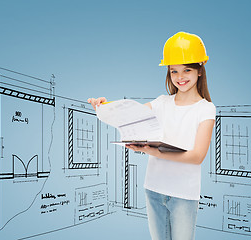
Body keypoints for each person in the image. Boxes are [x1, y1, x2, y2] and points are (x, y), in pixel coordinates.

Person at [88, 31, 216, 240]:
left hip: (184, 194)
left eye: (187, 70)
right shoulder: (161, 103)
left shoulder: (206, 109)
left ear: (200, 70)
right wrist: (103, 106)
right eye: (173, 71)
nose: (180, 77)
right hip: (154, 189)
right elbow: (128, 114)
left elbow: (197, 156)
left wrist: (152, 151)